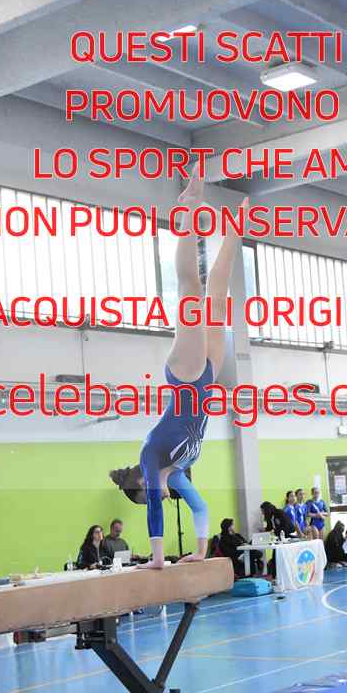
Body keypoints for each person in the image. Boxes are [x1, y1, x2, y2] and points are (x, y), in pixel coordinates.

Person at [109, 170, 248, 568]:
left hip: (185, 377)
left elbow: (155, 507)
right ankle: (236, 230)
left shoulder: (150, 456)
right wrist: (200, 552)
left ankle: (188, 206)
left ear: (142, 484)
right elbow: (200, 506)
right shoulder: (180, 469)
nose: (161, 495)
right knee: (217, 295)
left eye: (147, 493)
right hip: (206, 377)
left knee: (191, 290)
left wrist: (157, 559)